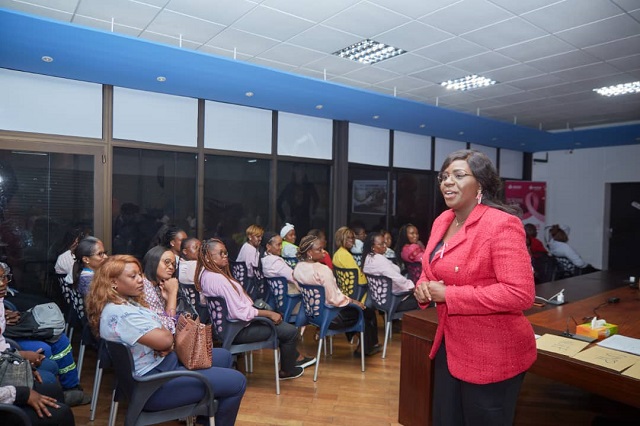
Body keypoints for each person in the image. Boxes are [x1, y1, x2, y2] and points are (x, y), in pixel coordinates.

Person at [414, 149, 536, 426]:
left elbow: (520, 293)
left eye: (458, 175)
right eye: (444, 176)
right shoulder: (442, 221)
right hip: (450, 344)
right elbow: (430, 268)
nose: (447, 182)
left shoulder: (502, 225)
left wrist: (449, 295)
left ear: (480, 183)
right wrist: (423, 286)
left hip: (492, 352)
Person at [84, 255, 246, 426]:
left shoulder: (125, 304)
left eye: (140, 274)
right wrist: (168, 340)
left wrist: (167, 340)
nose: (140, 280)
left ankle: (206, 417)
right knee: (237, 381)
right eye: (133, 276)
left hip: (161, 366)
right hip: (155, 386)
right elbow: (166, 338)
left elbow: (166, 335)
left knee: (225, 356)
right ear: (113, 282)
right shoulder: (122, 314)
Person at [195, 238, 315, 379]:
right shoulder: (219, 280)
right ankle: (287, 371)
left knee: (282, 326)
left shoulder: (205, 275)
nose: (225, 256)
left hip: (225, 328)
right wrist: (268, 314)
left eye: (225, 252)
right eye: (221, 253)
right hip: (238, 329)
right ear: (208, 258)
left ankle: (292, 360)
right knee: (290, 332)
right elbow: (240, 313)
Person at [293, 235, 380, 356]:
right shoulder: (322, 270)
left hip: (312, 315)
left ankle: (363, 343)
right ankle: (366, 348)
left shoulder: (298, 268)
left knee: (355, 309)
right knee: (366, 311)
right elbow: (334, 299)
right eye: (319, 249)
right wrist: (353, 301)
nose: (324, 252)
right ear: (309, 252)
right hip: (330, 317)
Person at [361, 232, 419, 312]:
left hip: (379, 300)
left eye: (384, 243)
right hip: (393, 301)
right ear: (372, 247)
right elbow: (396, 277)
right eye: (381, 244)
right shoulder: (379, 260)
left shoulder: (368, 258)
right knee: (423, 301)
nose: (385, 246)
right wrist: (412, 287)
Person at [142, 246, 180, 333]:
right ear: (153, 262)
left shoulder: (157, 286)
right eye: (167, 262)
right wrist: (172, 295)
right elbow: (169, 329)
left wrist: (167, 301)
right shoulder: (144, 287)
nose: (171, 267)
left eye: (174, 265)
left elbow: (165, 320)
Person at [332, 227, 367, 292]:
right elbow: (359, 279)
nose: (351, 240)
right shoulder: (344, 255)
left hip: (345, 289)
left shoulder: (337, 254)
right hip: (356, 291)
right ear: (341, 239)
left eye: (352, 238)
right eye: (348, 238)